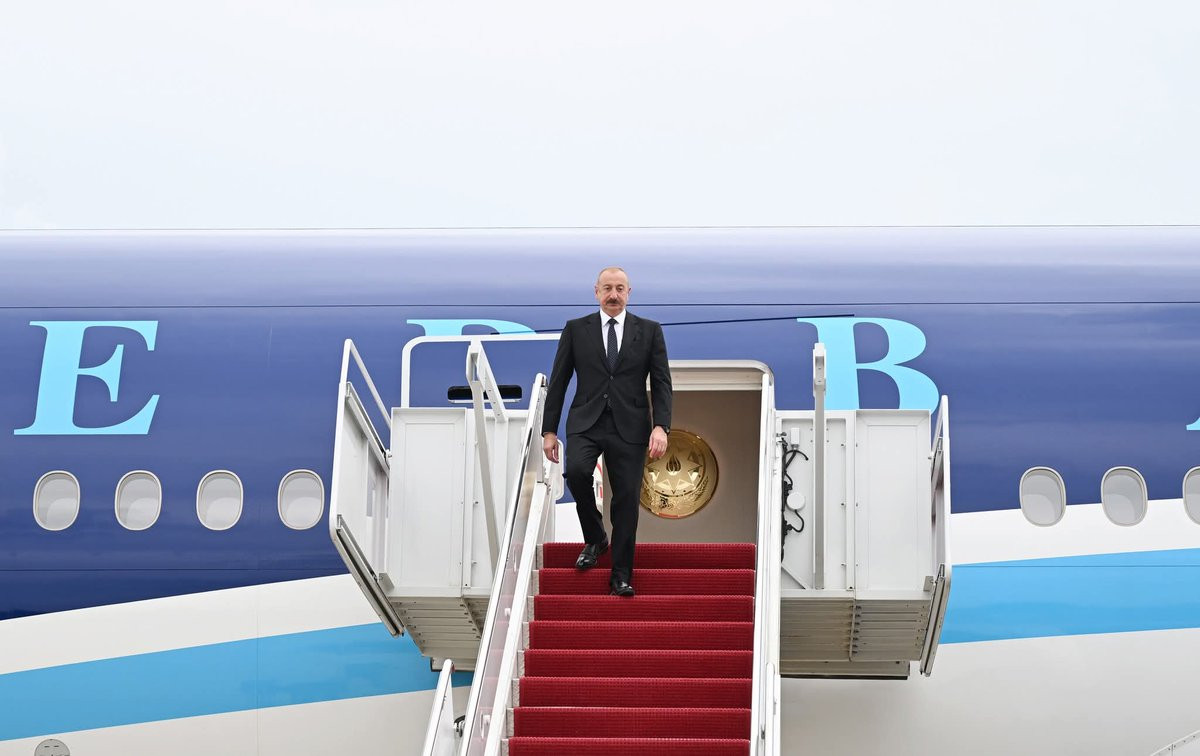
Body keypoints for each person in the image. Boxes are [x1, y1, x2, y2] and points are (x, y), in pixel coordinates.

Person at [541, 266, 672, 597]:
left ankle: (621, 575)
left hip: (630, 424)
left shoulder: (650, 331)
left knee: (626, 499)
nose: (614, 295)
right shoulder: (576, 329)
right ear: (596, 292)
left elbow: (661, 383)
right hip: (586, 421)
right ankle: (596, 537)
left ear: (629, 293)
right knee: (576, 473)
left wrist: (661, 426)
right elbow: (559, 381)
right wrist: (549, 430)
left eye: (620, 289)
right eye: (608, 288)